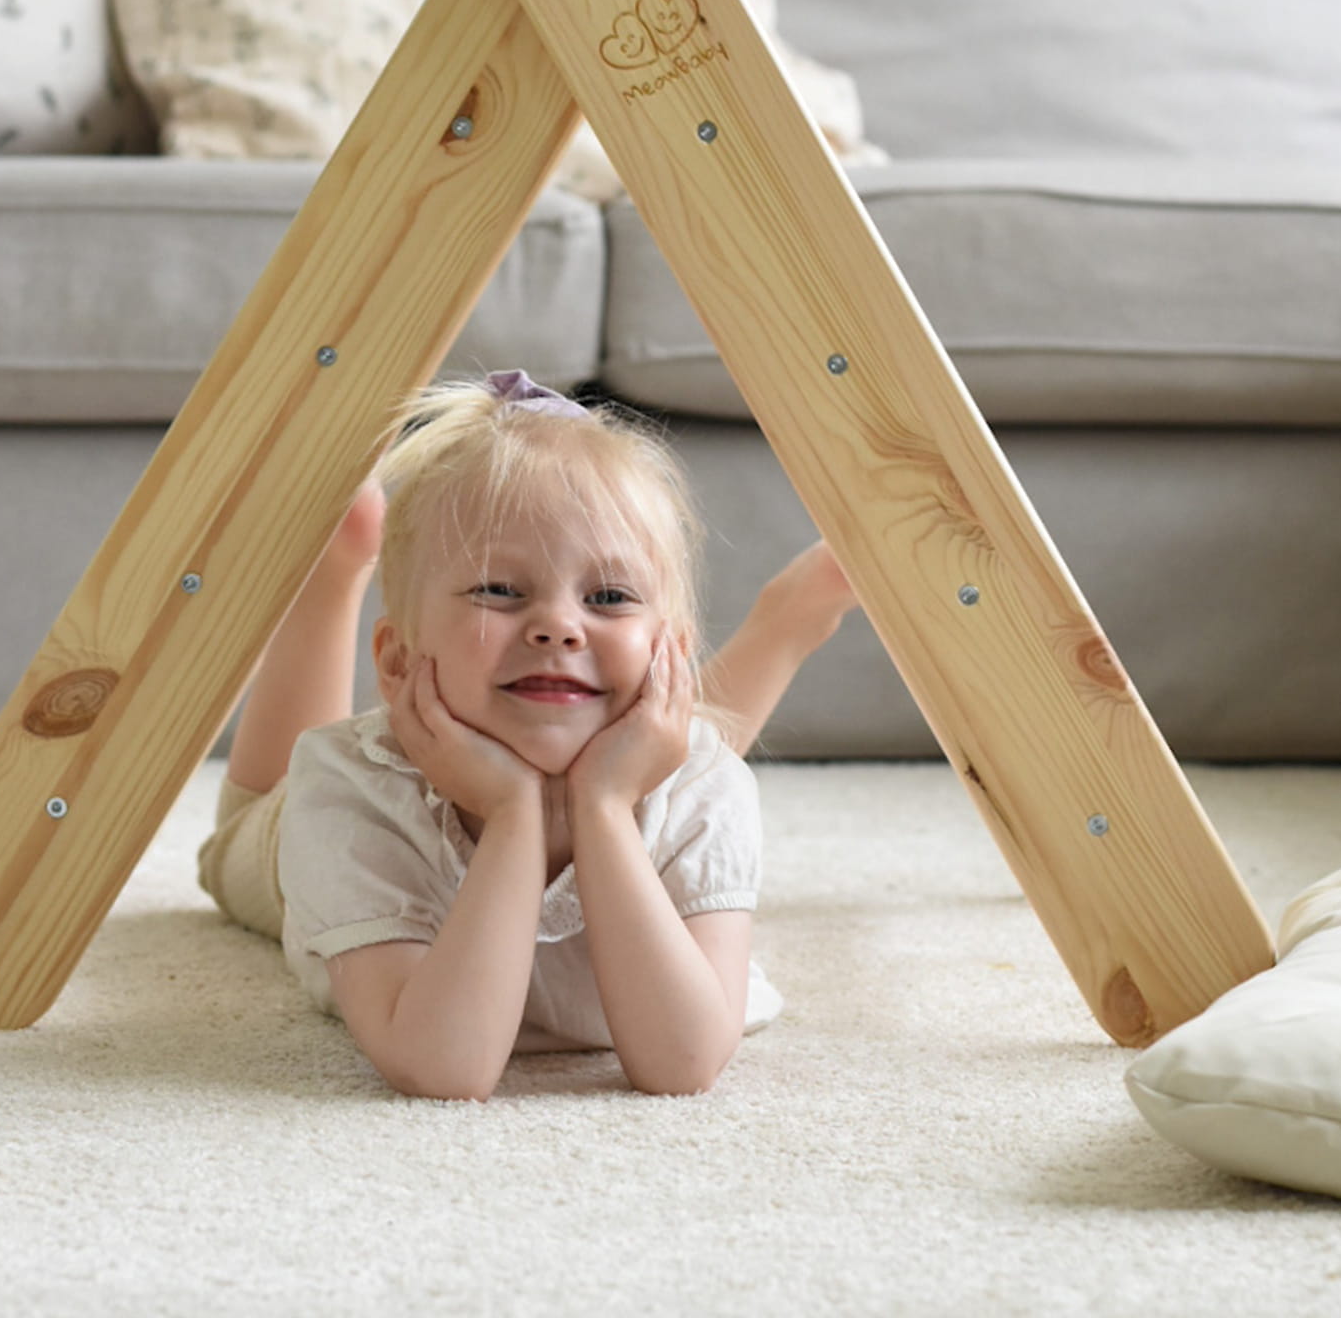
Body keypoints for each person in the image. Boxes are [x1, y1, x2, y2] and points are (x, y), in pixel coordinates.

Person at [200, 370, 858, 1100]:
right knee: (240, 840)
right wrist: (514, 812)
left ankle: (784, 627)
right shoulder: (350, 787)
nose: (557, 625)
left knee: (672, 741)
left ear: (672, 651)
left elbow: (683, 1064)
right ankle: (332, 574)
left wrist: (604, 807)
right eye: (499, 590)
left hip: (648, 751)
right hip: (336, 822)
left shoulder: (710, 787)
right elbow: (442, 1067)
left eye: (608, 597)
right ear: (395, 660)